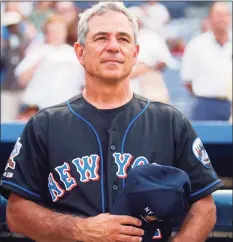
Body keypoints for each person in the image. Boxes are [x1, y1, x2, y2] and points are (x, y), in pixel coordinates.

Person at [0, 2, 223, 242]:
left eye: (124, 39)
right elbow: (16, 212)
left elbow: (205, 206)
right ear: (80, 52)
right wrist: (80, 230)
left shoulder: (170, 122)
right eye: (101, 38)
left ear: (135, 53)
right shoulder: (44, 125)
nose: (113, 47)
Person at [180, 1, 232, 121]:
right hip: (205, 106)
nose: (222, 19)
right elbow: (187, 81)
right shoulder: (196, 45)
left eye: (225, 14)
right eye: (218, 14)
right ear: (210, 18)